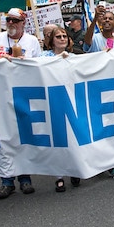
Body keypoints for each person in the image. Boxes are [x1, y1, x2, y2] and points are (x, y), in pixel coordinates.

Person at [0, 7, 41, 198]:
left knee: (23, 136)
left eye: (15, 20)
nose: (11, 23)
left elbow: (39, 67)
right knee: (3, 138)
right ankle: (6, 180)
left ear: (23, 23)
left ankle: (25, 178)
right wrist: (1, 60)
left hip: (22, 94)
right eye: (8, 20)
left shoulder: (32, 41)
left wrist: (22, 62)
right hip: (0, 95)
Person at [83, 6, 114, 179]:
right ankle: (97, 161)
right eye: (104, 19)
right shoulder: (94, 38)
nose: (107, 21)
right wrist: (94, 18)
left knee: (113, 127)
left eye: (110, 19)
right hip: (96, 89)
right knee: (97, 126)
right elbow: (86, 43)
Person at [40, 26, 82, 190]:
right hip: (52, 102)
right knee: (57, 139)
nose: (62, 39)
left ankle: (74, 170)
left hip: (70, 102)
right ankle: (59, 176)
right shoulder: (43, 57)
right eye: (58, 36)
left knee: (73, 138)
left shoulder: (73, 57)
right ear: (52, 41)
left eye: (65, 36)